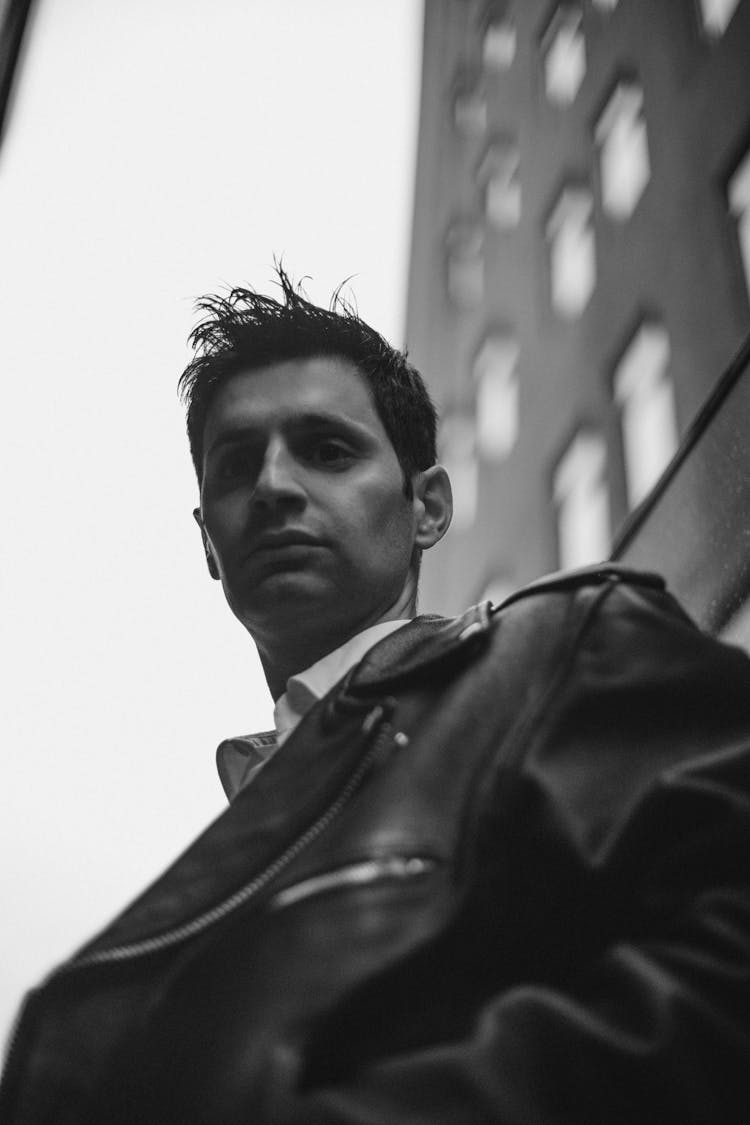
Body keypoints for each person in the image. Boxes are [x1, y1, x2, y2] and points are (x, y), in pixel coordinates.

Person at [3, 269, 750, 1124]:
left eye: (326, 449)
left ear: (427, 506)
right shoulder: (253, 814)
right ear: (208, 539)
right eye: (238, 463)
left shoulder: (562, 647)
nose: (274, 485)